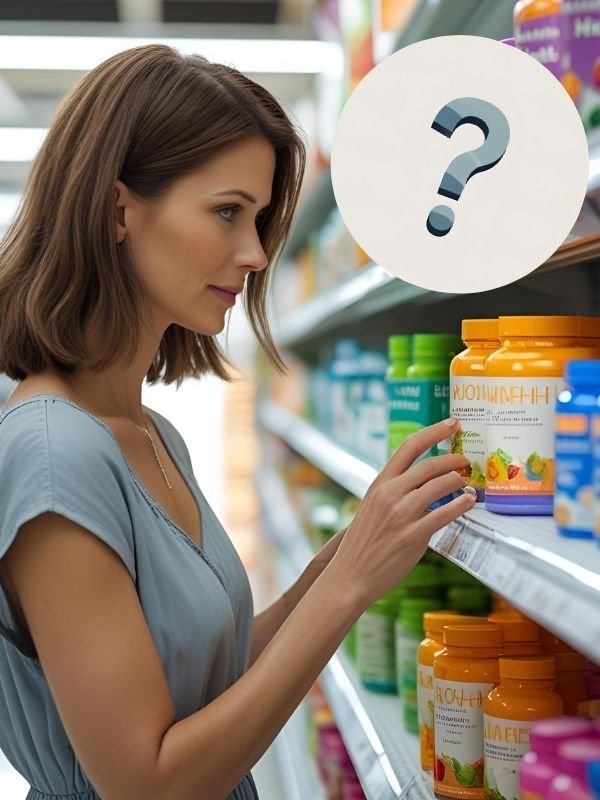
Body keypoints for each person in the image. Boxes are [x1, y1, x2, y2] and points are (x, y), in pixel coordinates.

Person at [0, 44, 475, 800]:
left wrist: (349, 553)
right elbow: (147, 784)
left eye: (257, 219)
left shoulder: (148, 431)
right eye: (227, 211)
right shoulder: (57, 455)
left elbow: (198, 677)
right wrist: (347, 587)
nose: (255, 253)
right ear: (119, 211)